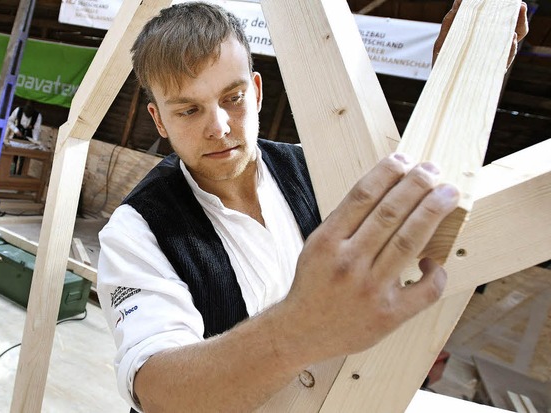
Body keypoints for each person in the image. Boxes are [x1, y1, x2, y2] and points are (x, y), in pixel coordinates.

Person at [97, 2, 528, 412]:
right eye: (189, 110)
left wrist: (466, 80)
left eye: (233, 98)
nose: (219, 127)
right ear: (158, 120)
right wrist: (301, 328)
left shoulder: (319, 168)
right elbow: (160, 394)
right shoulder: (137, 229)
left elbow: (422, 201)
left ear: (258, 90)